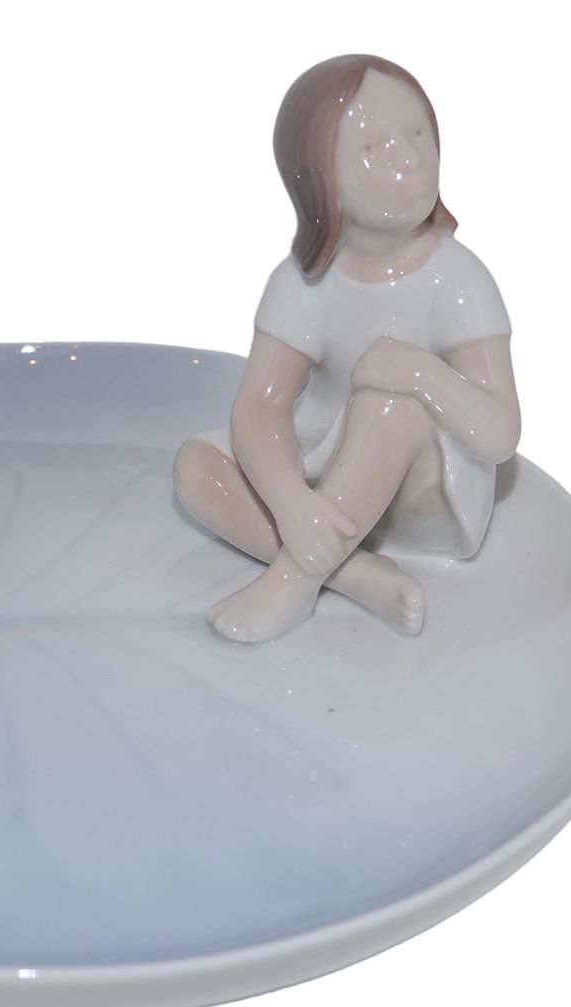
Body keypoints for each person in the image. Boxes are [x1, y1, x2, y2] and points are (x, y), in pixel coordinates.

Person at [174, 54, 520, 643]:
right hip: (328, 487)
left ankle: (295, 580)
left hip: (420, 499)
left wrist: (421, 374)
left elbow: (500, 434)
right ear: (319, 177)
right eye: (375, 147)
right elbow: (260, 407)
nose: (409, 158)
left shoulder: (457, 279)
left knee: (391, 400)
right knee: (196, 467)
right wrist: (291, 503)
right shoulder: (303, 281)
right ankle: (356, 576)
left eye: (418, 134)